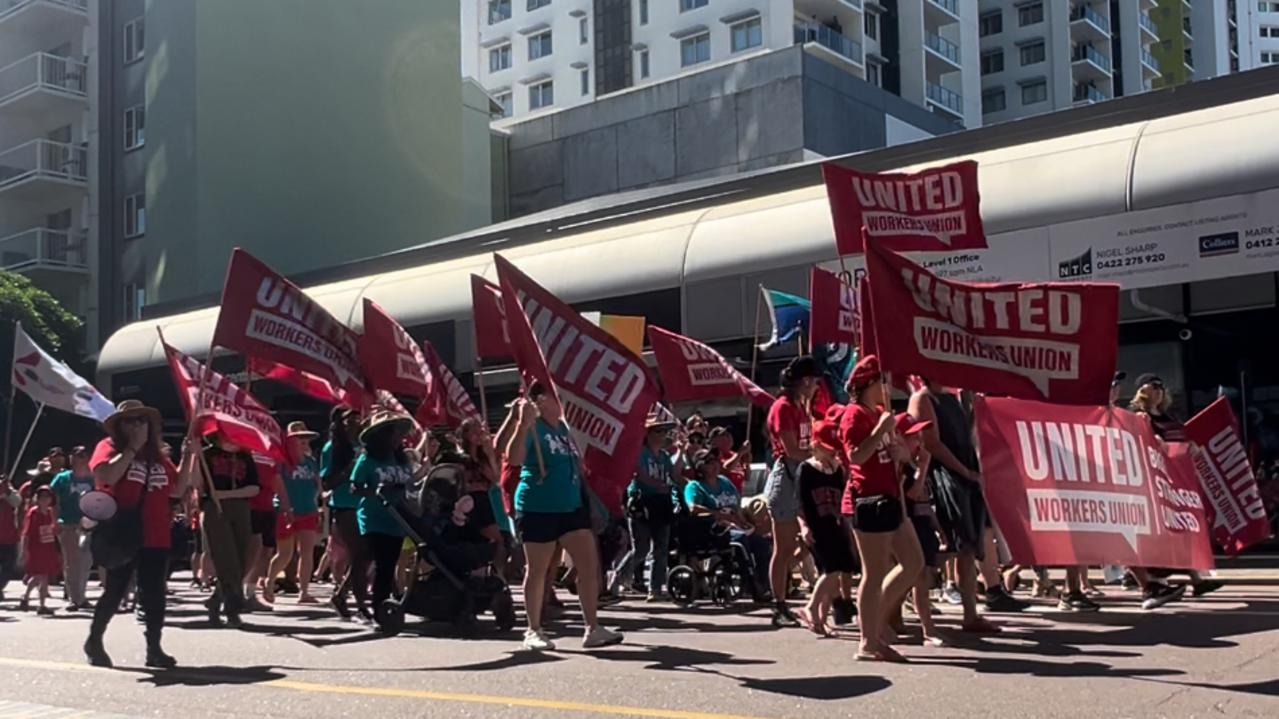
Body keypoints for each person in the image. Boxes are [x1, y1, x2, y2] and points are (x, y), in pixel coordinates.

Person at [504, 382, 623, 651]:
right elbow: (513, 458)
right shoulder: (534, 427)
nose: (564, 400)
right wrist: (521, 425)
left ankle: (592, 627)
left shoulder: (565, 429)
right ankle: (533, 630)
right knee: (538, 570)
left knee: (589, 565)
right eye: (557, 396)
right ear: (542, 400)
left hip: (570, 507)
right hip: (538, 507)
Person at [85, 400, 195, 669]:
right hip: (124, 534)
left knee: (155, 594)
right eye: (129, 420)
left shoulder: (157, 457)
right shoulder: (109, 448)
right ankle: (95, 640)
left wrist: (189, 455)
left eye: (141, 420)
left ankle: (154, 648)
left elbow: (176, 490)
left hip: (156, 535)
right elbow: (106, 475)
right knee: (115, 591)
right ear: (119, 426)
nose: (136, 425)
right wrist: (132, 448)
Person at [909, 378, 1022, 631]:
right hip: (944, 478)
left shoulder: (954, 398)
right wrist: (963, 471)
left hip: (966, 476)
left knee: (968, 548)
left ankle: (970, 614)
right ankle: (909, 609)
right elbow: (931, 443)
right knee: (937, 552)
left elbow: (968, 434)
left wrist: (975, 407)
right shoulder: (923, 398)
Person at [840, 356, 924, 662]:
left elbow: (895, 456)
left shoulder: (878, 412)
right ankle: (868, 640)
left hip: (892, 497)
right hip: (868, 499)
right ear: (869, 384)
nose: (886, 386)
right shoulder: (854, 415)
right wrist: (879, 431)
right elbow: (856, 457)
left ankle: (874, 621)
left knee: (913, 562)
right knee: (873, 572)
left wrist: (902, 452)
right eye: (881, 381)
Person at [1128, 373, 1223, 603]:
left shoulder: (1170, 416)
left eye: (1162, 386)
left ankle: (1196, 580)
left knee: (1183, 528)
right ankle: (1158, 582)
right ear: (1142, 391)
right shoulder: (1140, 417)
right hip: (1155, 483)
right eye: (1153, 387)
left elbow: (1181, 440)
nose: (1159, 390)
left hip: (1178, 482)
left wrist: (1190, 446)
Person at [763, 356, 823, 628]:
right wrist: (819, 453)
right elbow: (791, 450)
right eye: (815, 381)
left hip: (801, 475)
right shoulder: (783, 407)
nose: (817, 387)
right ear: (806, 381)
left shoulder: (802, 407)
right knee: (784, 547)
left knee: (809, 541)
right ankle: (778, 603)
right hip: (786, 476)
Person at [352, 410, 418, 624]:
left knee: (390, 563)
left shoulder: (402, 460)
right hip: (375, 517)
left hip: (397, 518)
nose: (400, 437)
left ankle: (387, 603)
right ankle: (379, 608)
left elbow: (410, 484)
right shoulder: (368, 460)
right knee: (382, 564)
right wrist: (374, 491)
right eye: (395, 433)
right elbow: (355, 487)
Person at [610, 411, 681, 601]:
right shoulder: (639, 453)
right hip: (642, 503)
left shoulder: (665, 456)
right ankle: (618, 577)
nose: (662, 435)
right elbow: (639, 474)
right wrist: (657, 484)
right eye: (658, 431)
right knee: (640, 548)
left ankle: (655, 589)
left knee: (661, 548)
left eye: (664, 432)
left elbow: (674, 475)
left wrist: (681, 452)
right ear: (647, 434)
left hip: (662, 504)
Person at [796, 420, 855, 636]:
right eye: (828, 447)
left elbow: (842, 498)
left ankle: (820, 618)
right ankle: (811, 608)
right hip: (816, 526)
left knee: (837, 569)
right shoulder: (806, 469)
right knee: (830, 569)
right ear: (816, 445)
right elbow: (800, 502)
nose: (832, 451)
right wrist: (804, 527)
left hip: (836, 524)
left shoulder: (837, 470)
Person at [896, 413, 948, 645]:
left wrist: (938, 527)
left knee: (925, 576)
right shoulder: (903, 466)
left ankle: (923, 625)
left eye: (919, 436)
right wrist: (923, 467)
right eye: (912, 437)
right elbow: (912, 495)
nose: (919, 441)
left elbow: (926, 501)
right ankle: (928, 629)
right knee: (919, 577)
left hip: (924, 523)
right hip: (910, 524)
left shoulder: (914, 463)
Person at [200, 431, 262, 626]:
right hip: (215, 509)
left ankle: (215, 600)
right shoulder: (206, 455)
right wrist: (192, 455)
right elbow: (196, 484)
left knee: (242, 558)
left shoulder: (245, 456)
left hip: (240, 507)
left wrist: (226, 494)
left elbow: (254, 487)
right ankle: (232, 608)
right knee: (226, 559)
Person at [263, 422, 323, 605]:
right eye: (299, 440)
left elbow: (318, 485)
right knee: (285, 554)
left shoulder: (311, 463)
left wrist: (319, 503)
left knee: (307, 552)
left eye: (305, 440)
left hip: (308, 511)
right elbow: (277, 483)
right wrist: (286, 507)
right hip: (285, 510)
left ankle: (304, 591)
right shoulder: (281, 462)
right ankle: (269, 582)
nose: (303, 443)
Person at [323, 406, 369, 620]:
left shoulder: (364, 446)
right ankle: (361, 604)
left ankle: (341, 595)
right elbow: (327, 482)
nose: (355, 421)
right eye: (349, 418)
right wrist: (349, 469)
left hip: (365, 505)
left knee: (367, 555)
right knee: (360, 554)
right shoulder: (331, 448)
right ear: (339, 423)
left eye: (357, 417)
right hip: (345, 507)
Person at [49, 446, 96, 611]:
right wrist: (55, 522)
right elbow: (52, 501)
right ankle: (73, 598)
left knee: (86, 561)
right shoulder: (62, 478)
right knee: (71, 562)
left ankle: (81, 595)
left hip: (88, 525)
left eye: (82, 455)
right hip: (67, 523)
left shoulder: (94, 479)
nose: (78, 459)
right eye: (75, 455)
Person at [19, 485, 60, 614]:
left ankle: (26, 598)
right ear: (37, 498)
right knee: (41, 576)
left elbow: (54, 528)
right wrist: (24, 550)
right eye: (42, 496)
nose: (45, 499)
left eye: (47, 496)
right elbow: (26, 532)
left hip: (47, 546)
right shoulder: (33, 513)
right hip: (36, 547)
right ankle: (40, 604)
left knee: (41, 576)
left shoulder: (50, 512)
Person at [710, 427, 749, 494]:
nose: (728, 436)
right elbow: (725, 468)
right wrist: (740, 453)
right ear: (714, 440)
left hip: (737, 495)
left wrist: (747, 463)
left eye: (729, 434)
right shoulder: (713, 455)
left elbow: (747, 477)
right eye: (723, 434)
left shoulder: (735, 455)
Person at [0, 475, 20, 604]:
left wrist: (6, 491)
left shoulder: (9, 490)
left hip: (9, 537)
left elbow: (17, 502)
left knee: (9, 568)